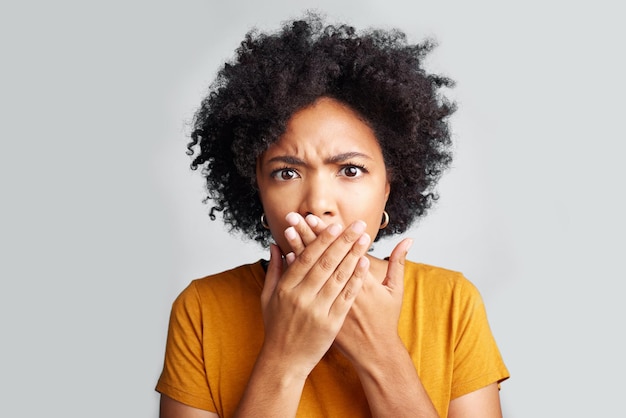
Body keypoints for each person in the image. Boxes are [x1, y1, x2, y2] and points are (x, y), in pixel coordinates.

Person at [156, 12, 509, 418]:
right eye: (286, 172)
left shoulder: (451, 303)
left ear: (389, 186)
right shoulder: (203, 308)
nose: (317, 203)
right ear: (257, 187)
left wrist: (380, 350)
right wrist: (285, 358)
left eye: (350, 170)